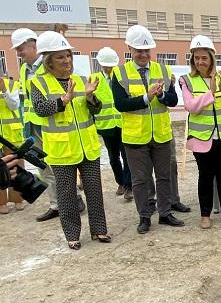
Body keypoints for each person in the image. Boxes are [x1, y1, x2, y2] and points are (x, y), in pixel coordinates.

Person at [30, 31, 109, 250]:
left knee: (94, 191)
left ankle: (99, 230)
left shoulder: (81, 80)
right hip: (62, 150)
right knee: (67, 196)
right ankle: (72, 235)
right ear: (49, 61)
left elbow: (95, 109)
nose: (66, 60)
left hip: (87, 147)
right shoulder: (38, 83)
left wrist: (92, 97)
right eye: (60, 57)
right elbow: (40, 109)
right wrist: (63, 101)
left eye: (68, 56)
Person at [112, 25, 184, 234]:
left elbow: (173, 100)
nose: (143, 54)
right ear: (130, 49)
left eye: (146, 50)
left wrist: (161, 96)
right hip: (135, 137)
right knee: (140, 180)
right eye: (138, 50)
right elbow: (120, 104)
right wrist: (147, 98)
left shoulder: (163, 69)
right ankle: (144, 216)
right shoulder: (120, 72)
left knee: (164, 176)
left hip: (161, 134)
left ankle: (164, 213)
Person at [11, 28, 85, 221]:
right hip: (33, 126)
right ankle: (56, 205)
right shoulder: (24, 69)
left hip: (54, 125)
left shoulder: (49, 65)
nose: (18, 53)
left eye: (21, 48)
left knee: (59, 166)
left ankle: (73, 200)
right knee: (43, 168)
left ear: (33, 45)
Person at [180, 35, 221, 229]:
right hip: (201, 138)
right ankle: (205, 214)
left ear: (212, 58)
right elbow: (191, 106)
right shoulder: (187, 80)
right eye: (196, 58)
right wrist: (210, 92)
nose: (200, 62)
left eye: (204, 57)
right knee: (205, 176)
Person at [92, 47, 133, 201]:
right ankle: (121, 182)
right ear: (101, 64)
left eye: (111, 65)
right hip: (106, 126)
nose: (109, 68)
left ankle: (129, 186)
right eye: (106, 65)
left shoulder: (122, 76)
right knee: (113, 157)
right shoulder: (94, 78)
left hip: (123, 123)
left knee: (127, 155)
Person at [0, 75, 25, 213]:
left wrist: (4, 90)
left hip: (12, 134)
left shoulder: (11, 84)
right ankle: (1, 202)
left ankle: (18, 199)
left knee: (15, 167)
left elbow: (14, 105)